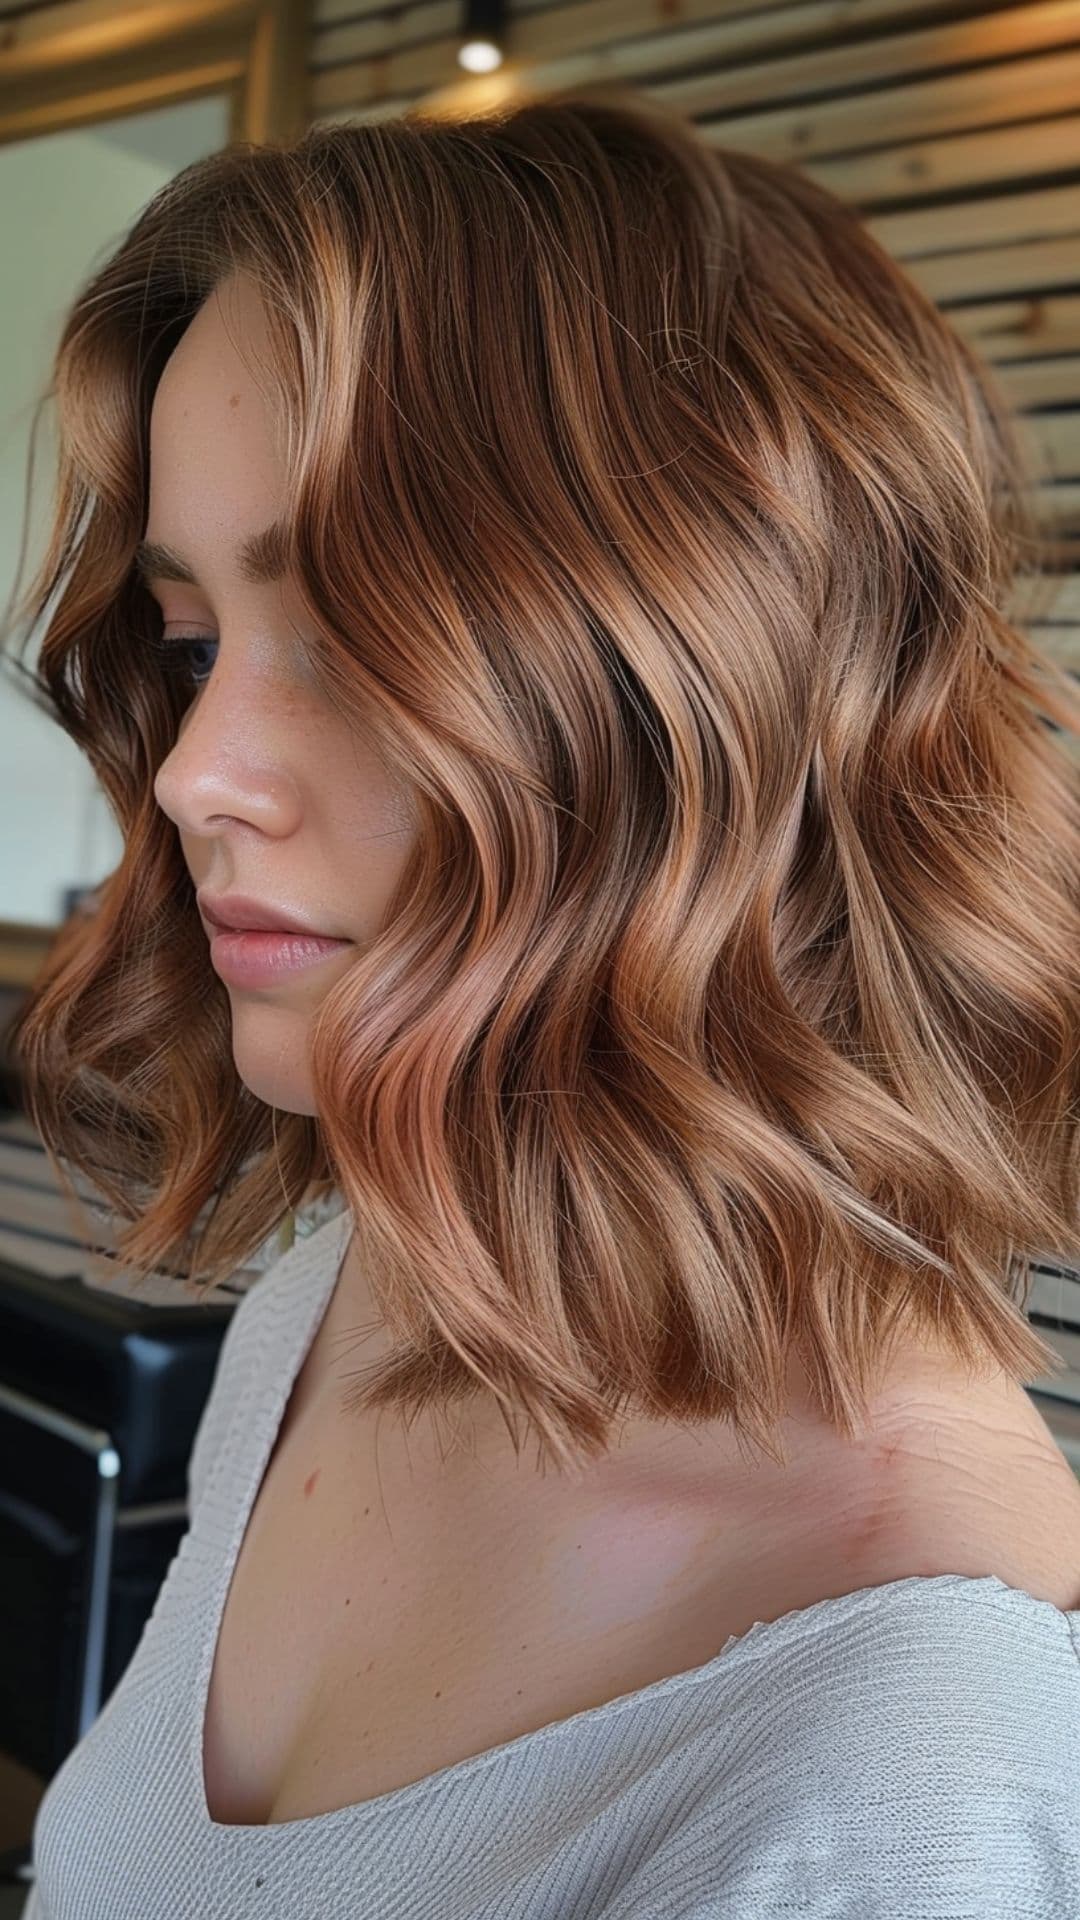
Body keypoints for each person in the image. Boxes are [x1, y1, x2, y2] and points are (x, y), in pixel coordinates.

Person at [5, 80, 1080, 1920]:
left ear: (713, 694)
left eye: (353, 634)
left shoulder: (904, 1784)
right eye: (190, 646)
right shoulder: (345, 1292)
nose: (193, 774)